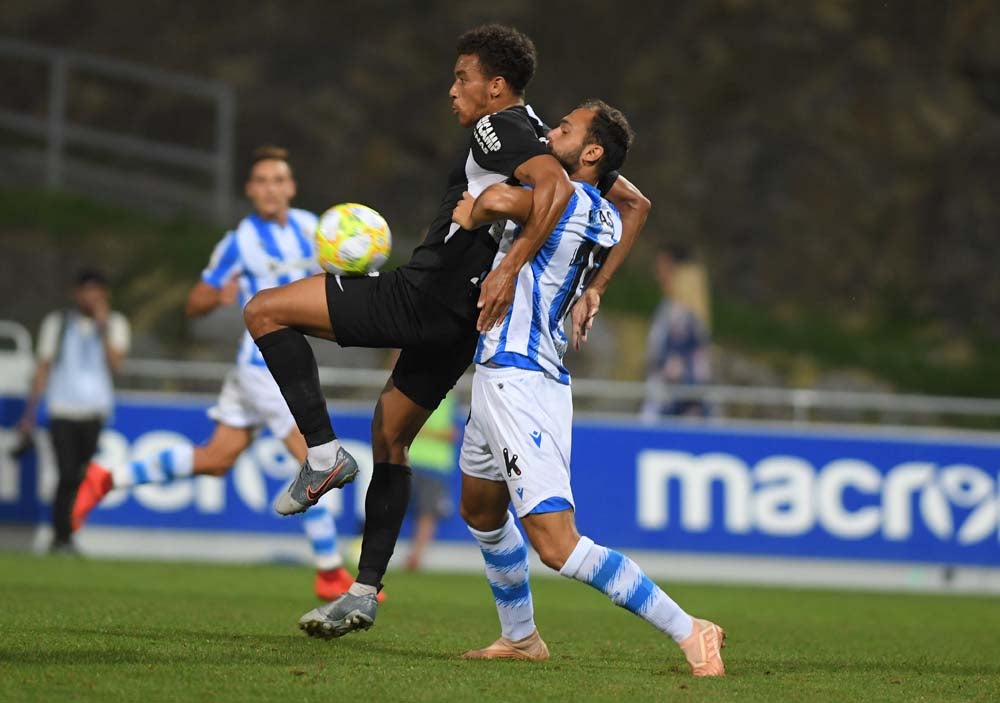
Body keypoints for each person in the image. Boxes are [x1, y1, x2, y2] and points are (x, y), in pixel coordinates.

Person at [245, 23, 650, 637]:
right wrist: (594, 287)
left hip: (423, 295)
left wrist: (510, 265)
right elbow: (635, 204)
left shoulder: (500, 127)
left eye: (462, 78)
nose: (452, 90)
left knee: (264, 310)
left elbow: (556, 189)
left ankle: (322, 455)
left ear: (494, 86)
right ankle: (362, 592)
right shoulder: (541, 133)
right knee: (391, 437)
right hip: (464, 324)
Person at [450, 101, 725, 676]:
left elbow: (498, 200)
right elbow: (639, 204)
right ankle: (521, 637)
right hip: (506, 370)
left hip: (519, 379)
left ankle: (691, 630)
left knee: (557, 545)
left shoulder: (571, 201)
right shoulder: (599, 208)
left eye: (565, 130)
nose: (551, 134)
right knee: (479, 509)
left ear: (592, 153)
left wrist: (477, 205)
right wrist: (596, 285)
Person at [71, 146, 356, 600]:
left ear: (291, 187)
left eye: (277, 180)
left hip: (275, 363)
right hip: (261, 365)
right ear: (250, 190)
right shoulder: (238, 241)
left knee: (216, 459)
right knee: (316, 458)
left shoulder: (314, 229)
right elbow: (194, 302)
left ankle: (109, 477)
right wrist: (214, 296)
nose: (270, 188)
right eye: (261, 181)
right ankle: (329, 571)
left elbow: (340, 266)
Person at [17, 269, 130, 554]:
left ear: (105, 295)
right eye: (86, 291)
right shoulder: (58, 323)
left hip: (95, 410)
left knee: (79, 475)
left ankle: (65, 535)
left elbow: (116, 366)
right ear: (77, 294)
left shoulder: (115, 324)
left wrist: (103, 328)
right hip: (62, 408)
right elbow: (43, 368)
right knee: (66, 473)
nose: (91, 297)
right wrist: (29, 413)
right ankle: (61, 536)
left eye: (97, 291)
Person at [640, 244, 712, 420]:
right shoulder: (671, 311)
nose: (659, 275)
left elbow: (686, 369)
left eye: (665, 269)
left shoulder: (682, 317)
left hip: (673, 402)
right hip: (671, 398)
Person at [404, 388, 458, 570]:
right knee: (398, 507)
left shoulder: (450, 397)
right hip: (413, 459)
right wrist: (439, 434)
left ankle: (416, 557)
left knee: (427, 513)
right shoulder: (415, 388)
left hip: (435, 463)